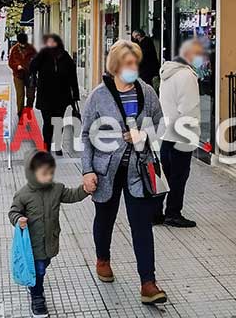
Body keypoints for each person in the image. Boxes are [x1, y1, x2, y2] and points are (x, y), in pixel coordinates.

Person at [81, 39, 168, 305]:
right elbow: (86, 135)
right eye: (129, 63)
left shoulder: (146, 92)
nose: (134, 68)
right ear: (116, 66)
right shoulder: (98, 95)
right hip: (106, 170)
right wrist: (87, 171)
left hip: (138, 170)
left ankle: (148, 283)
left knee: (142, 225)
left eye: (135, 63)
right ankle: (103, 258)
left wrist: (143, 134)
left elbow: (161, 125)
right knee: (105, 219)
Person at [9, 150, 95, 318]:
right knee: (39, 270)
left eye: (50, 173)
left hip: (50, 239)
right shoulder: (23, 195)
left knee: (44, 264)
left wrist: (85, 190)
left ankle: (35, 284)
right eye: (44, 174)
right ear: (32, 173)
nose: (48, 177)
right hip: (33, 243)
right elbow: (13, 212)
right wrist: (18, 219)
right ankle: (37, 297)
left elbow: (71, 195)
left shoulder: (56, 189)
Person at [152, 39, 204, 228]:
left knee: (165, 175)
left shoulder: (167, 74)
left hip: (167, 132)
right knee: (179, 176)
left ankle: (155, 213)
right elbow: (188, 108)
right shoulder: (186, 76)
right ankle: (173, 213)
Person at [30, 34, 80, 156]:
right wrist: (41, 54)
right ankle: (46, 146)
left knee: (58, 122)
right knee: (47, 123)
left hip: (61, 96)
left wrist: (75, 95)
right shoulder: (42, 56)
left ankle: (57, 145)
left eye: (54, 42)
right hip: (45, 96)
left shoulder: (65, 56)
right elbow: (32, 67)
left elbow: (73, 77)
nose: (51, 45)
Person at [8, 33, 37, 117]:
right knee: (20, 95)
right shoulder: (14, 49)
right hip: (18, 75)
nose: (23, 45)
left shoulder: (32, 49)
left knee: (31, 95)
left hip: (30, 75)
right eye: (21, 43)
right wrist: (17, 66)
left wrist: (31, 67)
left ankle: (29, 110)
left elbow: (37, 60)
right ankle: (20, 113)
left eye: (24, 43)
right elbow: (10, 63)